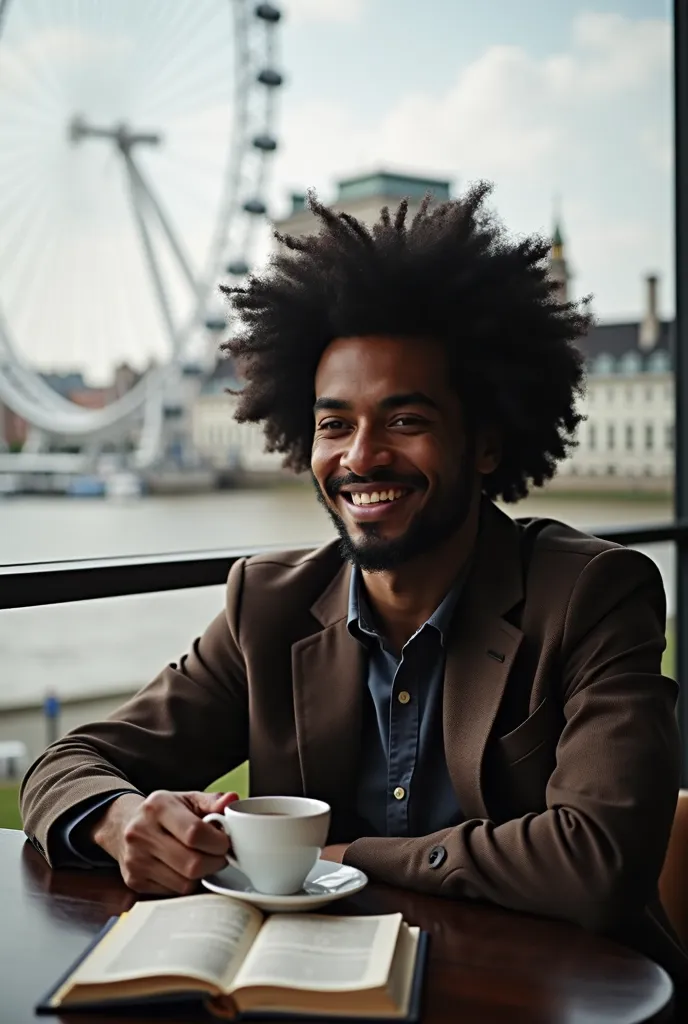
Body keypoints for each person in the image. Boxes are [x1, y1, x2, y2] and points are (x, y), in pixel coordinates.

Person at [20, 183, 687, 981]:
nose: (361, 457)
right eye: (334, 425)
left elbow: (598, 860)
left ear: (484, 443)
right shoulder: (266, 606)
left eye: (405, 421)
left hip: (560, 996)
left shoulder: (595, 595)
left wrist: (338, 858)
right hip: (322, 991)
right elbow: (69, 762)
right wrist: (121, 817)